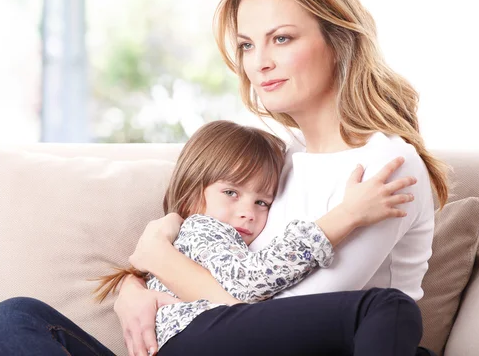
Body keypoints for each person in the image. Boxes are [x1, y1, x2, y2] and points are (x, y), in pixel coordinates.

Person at [0, 0, 449, 355]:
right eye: (247, 45)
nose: (258, 61)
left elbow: (285, 321)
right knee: (12, 318)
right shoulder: (277, 165)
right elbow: (206, 243)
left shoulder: (387, 166)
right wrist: (135, 285)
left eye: (281, 39)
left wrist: (160, 262)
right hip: (208, 340)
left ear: (338, 41)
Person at [91, 120, 418, 354]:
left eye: (262, 201)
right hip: (192, 336)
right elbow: (249, 281)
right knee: (389, 307)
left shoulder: (185, 240)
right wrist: (346, 216)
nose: (248, 211)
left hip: (201, 337)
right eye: (231, 192)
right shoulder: (202, 228)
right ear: (191, 195)